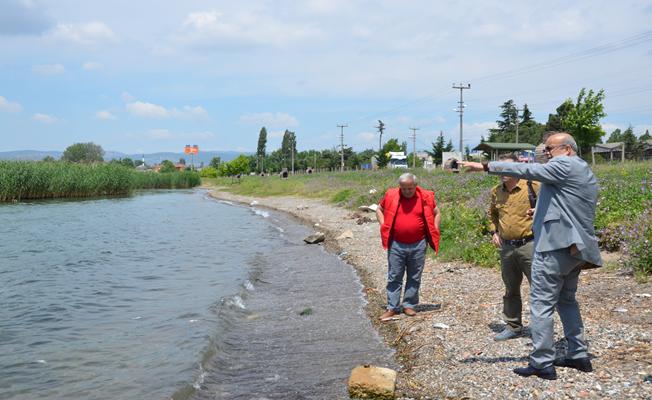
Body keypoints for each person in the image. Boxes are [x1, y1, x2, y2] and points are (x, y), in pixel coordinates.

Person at [461, 132, 602, 380]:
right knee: (567, 300)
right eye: (545, 150)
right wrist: (543, 209)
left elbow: (529, 171)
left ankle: (542, 362)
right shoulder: (583, 170)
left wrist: (485, 166)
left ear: (567, 149)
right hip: (576, 249)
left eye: (549, 149)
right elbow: (572, 204)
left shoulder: (564, 164)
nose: (545, 153)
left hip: (555, 248)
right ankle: (578, 355)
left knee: (541, 304)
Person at [488, 154, 540, 341]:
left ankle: (540, 330)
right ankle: (513, 326)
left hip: (530, 245)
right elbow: (492, 214)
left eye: (506, 168)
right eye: (499, 168)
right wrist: (494, 232)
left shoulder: (533, 186)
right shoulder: (496, 191)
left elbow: (552, 206)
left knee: (538, 288)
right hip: (507, 247)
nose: (502, 172)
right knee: (510, 288)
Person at [376, 173, 441, 321]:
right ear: (400, 187)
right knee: (394, 276)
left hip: (418, 243)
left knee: (414, 276)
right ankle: (392, 308)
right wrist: (383, 225)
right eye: (404, 188)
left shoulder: (425, 197)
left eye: (410, 188)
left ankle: (409, 305)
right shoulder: (391, 195)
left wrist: (435, 228)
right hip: (396, 244)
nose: (407, 191)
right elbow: (379, 209)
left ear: (415, 186)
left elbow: (437, 213)